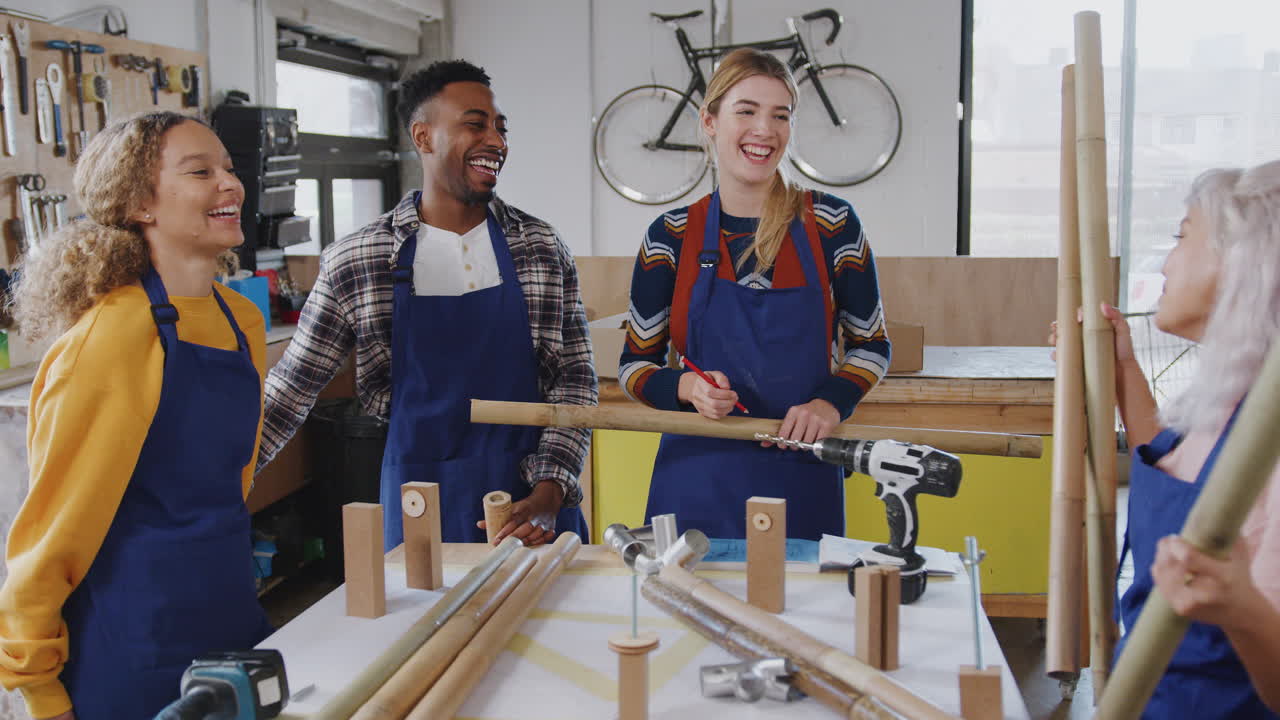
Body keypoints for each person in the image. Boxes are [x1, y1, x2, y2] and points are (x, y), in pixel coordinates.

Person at [0, 112, 273, 719]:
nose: (230, 184)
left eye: (228, 168)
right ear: (139, 203)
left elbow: (235, 483)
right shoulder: (111, 337)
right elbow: (51, 536)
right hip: (134, 642)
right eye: (201, 171)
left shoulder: (241, 321)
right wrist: (41, 691)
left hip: (231, 616)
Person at [259, 60, 593, 549]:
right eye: (475, 124)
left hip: (533, 509)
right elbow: (288, 393)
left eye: (501, 129)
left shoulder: (540, 247)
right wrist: (213, 488)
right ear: (423, 136)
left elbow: (574, 380)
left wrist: (550, 491)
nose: (497, 141)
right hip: (420, 512)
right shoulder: (359, 260)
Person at [618, 48, 891, 540]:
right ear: (710, 120)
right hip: (698, 475)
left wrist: (829, 404)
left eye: (780, 115)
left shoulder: (832, 224)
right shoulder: (670, 235)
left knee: (803, 613)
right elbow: (635, 367)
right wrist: (687, 388)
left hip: (802, 471)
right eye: (746, 111)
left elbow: (872, 345)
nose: (765, 130)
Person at [1051, 160, 1280, 716]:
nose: (1168, 262)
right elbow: (1180, 464)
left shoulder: (1271, 441)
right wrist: (1123, 369)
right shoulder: (1233, 397)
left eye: (1182, 236)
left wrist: (1241, 607)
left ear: (1243, 263)